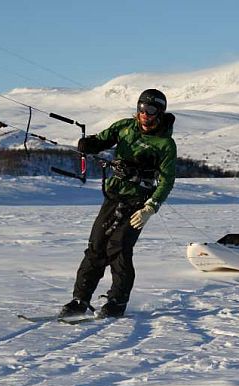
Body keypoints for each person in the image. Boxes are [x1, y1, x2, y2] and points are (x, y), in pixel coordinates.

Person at [59, 89, 177, 318]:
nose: (144, 114)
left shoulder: (165, 144)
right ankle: (80, 299)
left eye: (150, 110)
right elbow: (102, 140)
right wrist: (89, 144)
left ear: (159, 113)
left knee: (119, 247)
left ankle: (117, 301)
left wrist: (150, 208)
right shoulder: (125, 127)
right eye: (141, 108)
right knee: (96, 246)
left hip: (139, 202)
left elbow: (167, 180)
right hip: (114, 195)